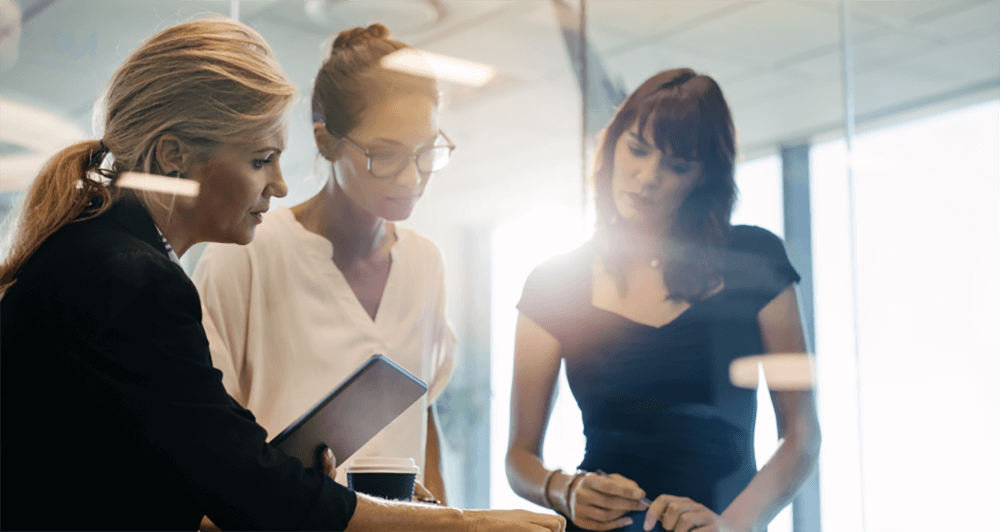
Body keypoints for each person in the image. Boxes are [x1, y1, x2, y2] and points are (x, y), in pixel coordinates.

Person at [0, 18, 564, 532]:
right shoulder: (133, 281)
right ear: (172, 155)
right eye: (258, 160)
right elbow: (247, 488)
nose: (279, 184)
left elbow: (195, 471)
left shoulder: (101, 258)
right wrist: (464, 525)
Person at [505, 68, 821, 532]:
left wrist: (733, 525)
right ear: (612, 145)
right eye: (637, 149)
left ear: (703, 178)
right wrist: (563, 490)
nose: (647, 177)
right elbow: (519, 456)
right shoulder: (553, 283)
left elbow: (801, 436)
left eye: (676, 166)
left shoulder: (758, 260)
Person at [193, 23, 454, 503]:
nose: (412, 177)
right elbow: (207, 438)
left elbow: (422, 416)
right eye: (385, 154)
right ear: (327, 141)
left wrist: (447, 517)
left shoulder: (424, 263)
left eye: (426, 151)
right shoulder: (246, 254)